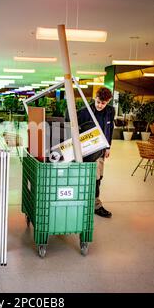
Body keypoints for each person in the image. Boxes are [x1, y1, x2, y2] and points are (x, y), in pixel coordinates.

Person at [65, 87, 115, 218]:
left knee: (98, 178)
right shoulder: (84, 112)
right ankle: (84, 203)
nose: (100, 105)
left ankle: (94, 204)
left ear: (108, 101)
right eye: (98, 101)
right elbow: (73, 130)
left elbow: (110, 128)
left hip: (101, 149)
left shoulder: (110, 111)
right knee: (83, 177)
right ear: (95, 98)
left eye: (103, 103)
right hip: (85, 151)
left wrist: (108, 147)